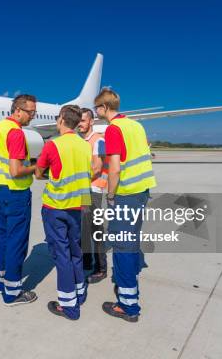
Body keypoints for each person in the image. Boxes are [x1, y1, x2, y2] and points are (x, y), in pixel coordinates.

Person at [94, 88, 156, 322]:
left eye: (97, 108)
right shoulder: (136, 125)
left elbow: (116, 168)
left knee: (122, 247)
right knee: (131, 242)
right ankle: (128, 294)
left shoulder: (113, 130)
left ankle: (128, 306)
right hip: (141, 191)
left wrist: (111, 195)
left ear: (105, 108)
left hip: (126, 193)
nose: (97, 112)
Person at [35, 105, 92, 320]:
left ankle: (68, 306)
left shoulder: (53, 145)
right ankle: (79, 291)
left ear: (60, 121)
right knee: (76, 251)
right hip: (79, 207)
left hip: (56, 207)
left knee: (62, 255)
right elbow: (89, 173)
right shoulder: (86, 145)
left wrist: (48, 174)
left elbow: (39, 173)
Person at [0, 94, 38, 306]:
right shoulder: (16, 133)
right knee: (17, 241)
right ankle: (13, 292)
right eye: (30, 112)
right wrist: (36, 167)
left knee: (3, 235)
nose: (33, 117)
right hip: (16, 192)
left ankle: (1, 278)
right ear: (18, 110)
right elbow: (16, 170)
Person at [77, 107, 108, 284]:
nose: (79, 124)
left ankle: (101, 268)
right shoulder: (83, 141)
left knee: (96, 230)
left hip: (94, 190)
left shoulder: (98, 141)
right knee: (84, 227)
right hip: (84, 190)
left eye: (83, 120)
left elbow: (96, 169)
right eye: (78, 121)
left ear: (91, 122)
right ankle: (87, 261)